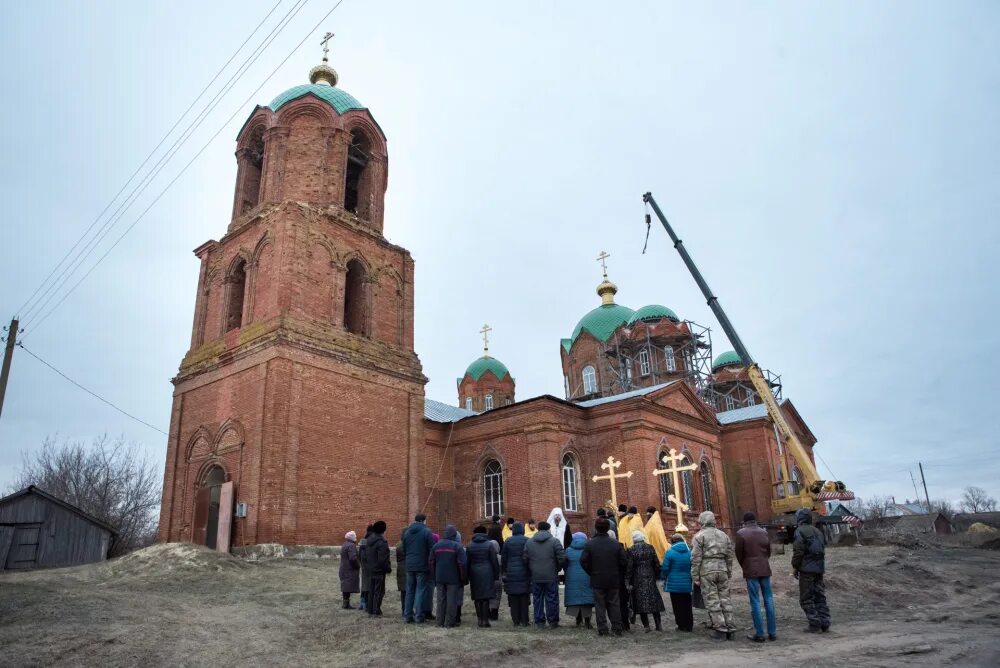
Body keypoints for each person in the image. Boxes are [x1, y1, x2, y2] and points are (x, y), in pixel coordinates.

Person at [691, 510, 736, 640]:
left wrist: (695, 576)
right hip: (722, 570)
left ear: (702, 521)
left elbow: (695, 557)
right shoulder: (724, 535)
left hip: (707, 570)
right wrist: (728, 571)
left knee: (712, 600)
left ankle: (720, 629)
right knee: (725, 599)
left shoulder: (699, 536)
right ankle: (731, 628)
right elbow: (729, 555)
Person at [580, 517, 627, 636]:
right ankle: (617, 628)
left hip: (597, 578)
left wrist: (591, 572)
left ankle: (603, 629)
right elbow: (624, 562)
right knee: (614, 604)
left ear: (596, 528)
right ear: (608, 528)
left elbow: (583, 561)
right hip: (613, 579)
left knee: (600, 605)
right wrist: (616, 572)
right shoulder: (616, 544)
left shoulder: (590, 544)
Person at [736, 511, 777, 642]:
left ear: (744, 522)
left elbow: (739, 553)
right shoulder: (764, 532)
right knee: (769, 599)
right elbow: (768, 552)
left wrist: (745, 565)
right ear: (755, 520)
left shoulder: (741, 533)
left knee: (755, 601)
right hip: (765, 568)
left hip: (751, 570)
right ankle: (772, 632)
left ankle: (759, 633)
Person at [792, 508, 830, 633]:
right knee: (820, 595)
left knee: (806, 598)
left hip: (806, 570)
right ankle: (825, 622)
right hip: (819, 569)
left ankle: (814, 623)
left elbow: (798, 552)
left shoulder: (800, 531)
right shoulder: (818, 531)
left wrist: (795, 566)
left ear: (799, 518)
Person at [524, 520, 567, 628]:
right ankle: (553, 621)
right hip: (551, 575)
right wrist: (557, 569)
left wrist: (531, 570)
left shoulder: (529, 542)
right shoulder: (555, 541)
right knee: (552, 598)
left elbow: (525, 559)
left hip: (536, 576)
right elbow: (562, 558)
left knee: (537, 599)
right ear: (548, 529)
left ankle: (539, 621)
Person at [627, 530, 666, 631]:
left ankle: (646, 626)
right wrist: (656, 574)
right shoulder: (650, 547)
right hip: (650, 575)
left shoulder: (631, 550)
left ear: (634, 539)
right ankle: (659, 625)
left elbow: (630, 567)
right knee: (654, 600)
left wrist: (628, 580)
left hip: (638, 576)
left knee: (641, 602)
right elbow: (656, 563)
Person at [430, 524, 467, 628]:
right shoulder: (457, 546)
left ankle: (439, 622)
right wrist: (463, 577)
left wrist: (434, 576)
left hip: (439, 577)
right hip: (453, 578)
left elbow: (431, 562)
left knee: (440, 600)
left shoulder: (436, 546)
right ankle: (450, 622)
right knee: (452, 600)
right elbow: (462, 564)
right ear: (454, 535)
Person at [401, 513, 436, 624]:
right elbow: (432, 549)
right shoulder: (427, 532)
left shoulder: (407, 533)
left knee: (410, 590)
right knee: (420, 590)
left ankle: (407, 615)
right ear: (424, 521)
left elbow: (404, 549)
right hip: (422, 565)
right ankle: (419, 615)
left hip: (409, 565)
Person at [467, 526, 501, 627]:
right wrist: (495, 575)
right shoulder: (489, 545)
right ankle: (485, 621)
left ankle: (479, 620)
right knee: (486, 597)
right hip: (487, 572)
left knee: (477, 597)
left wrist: (467, 576)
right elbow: (494, 561)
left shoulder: (470, 545)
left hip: (474, 573)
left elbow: (467, 562)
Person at [660, 533, 694, 632]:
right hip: (686, 582)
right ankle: (689, 625)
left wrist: (663, 576)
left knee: (677, 606)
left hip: (674, 584)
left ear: (672, 542)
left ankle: (681, 625)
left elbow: (665, 568)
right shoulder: (689, 552)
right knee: (687, 605)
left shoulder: (670, 552)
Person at [501, 522, 531, 626]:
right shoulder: (527, 541)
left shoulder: (507, 541)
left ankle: (515, 620)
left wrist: (505, 571)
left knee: (513, 598)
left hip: (511, 572)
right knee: (524, 597)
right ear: (522, 530)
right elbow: (529, 557)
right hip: (524, 572)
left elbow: (503, 559)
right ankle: (524, 620)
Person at [564, 531, 594, 628]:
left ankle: (578, 621)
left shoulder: (568, 550)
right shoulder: (589, 549)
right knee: (587, 598)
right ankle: (587, 622)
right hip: (587, 575)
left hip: (572, 576)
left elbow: (564, 563)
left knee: (576, 599)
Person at [364, 520, 391, 616]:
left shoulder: (369, 540)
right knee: (379, 591)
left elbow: (367, 555)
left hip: (371, 568)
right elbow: (382, 559)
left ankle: (370, 609)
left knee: (372, 590)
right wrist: (387, 568)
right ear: (383, 530)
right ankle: (376, 610)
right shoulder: (382, 542)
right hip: (379, 570)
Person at [339, 530, 361, 609]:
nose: (356, 538)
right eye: (355, 536)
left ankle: (345, 603)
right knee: (347, 586)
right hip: (349, 569)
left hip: (344, 568)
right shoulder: (351, 545)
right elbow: (353, 558)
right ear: (352, 538)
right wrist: (357, 566)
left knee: (345, 586)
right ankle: (346, 604)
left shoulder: (344, 544)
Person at [358, 524, 373, 611]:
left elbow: (359, 555)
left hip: (363, 567)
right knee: (369, 586)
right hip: (370, 567)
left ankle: (362, 602)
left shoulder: (363, 541)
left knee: (364, 585)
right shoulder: (372, 541)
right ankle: (366, 604)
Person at [394, 531, 407, 616]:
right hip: (406, 568)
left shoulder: (398, 545)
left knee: (403, 591)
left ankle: (403, 609)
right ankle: (407, 610)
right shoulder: (407, 545)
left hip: (400, 568)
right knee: (408, 591)